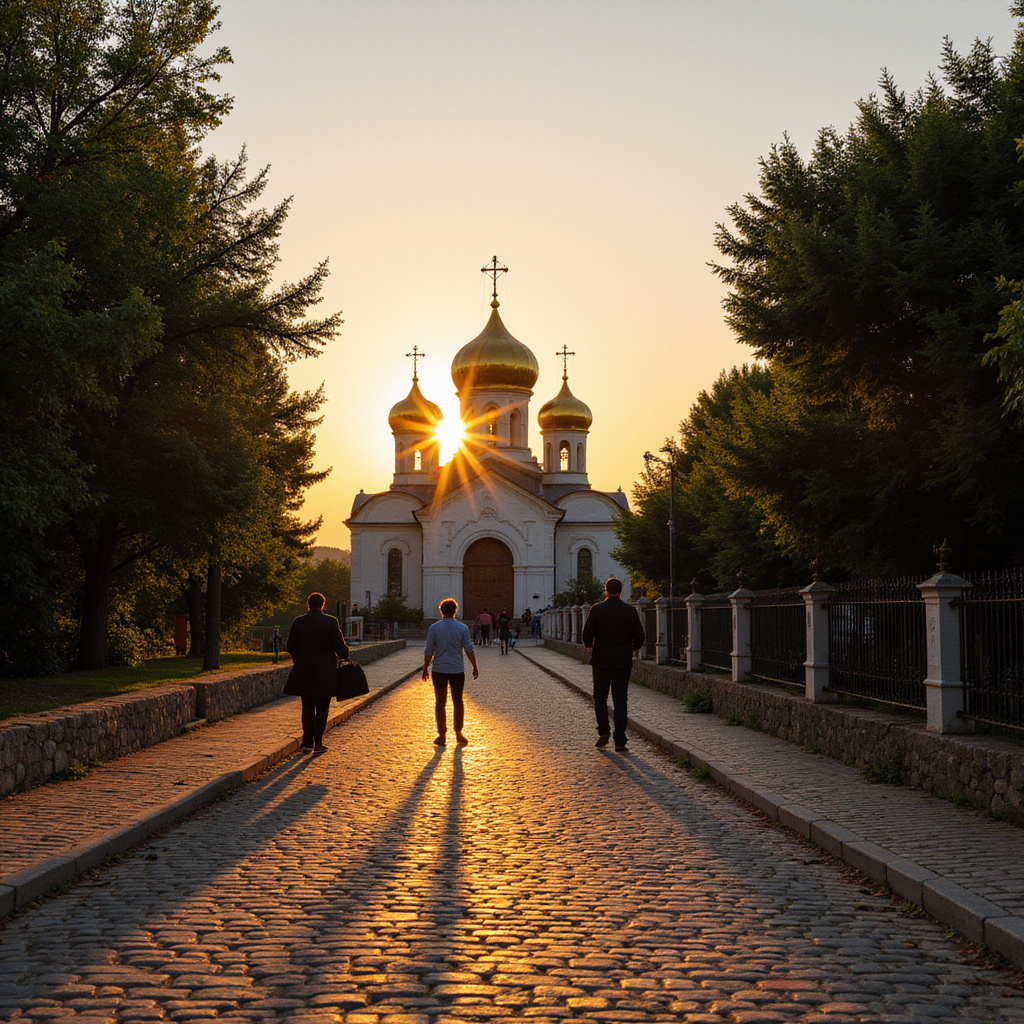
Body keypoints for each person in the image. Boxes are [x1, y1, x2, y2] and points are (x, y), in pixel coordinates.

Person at [581, 577, 645, 752]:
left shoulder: (597, 609)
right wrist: (633, 648)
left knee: (600, 697)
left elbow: (587, 635)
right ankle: (620, 740)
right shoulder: (630, 611)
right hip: (622, 661)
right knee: (620, 700)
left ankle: (603, 731)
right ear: (621, 591)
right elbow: (640, 636)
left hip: (601, 660)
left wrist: (589, 645)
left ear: (606, 590)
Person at [284, 592, 349, 753]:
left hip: (304, 669)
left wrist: (297, 658)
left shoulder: (299, 622)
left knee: (307, 706)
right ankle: (318, 742)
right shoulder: (331, 622)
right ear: (323, 605)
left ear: (308, 604)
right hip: (325, 671)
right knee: (322, 706)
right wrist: (345, 653)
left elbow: (290, 646)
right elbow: (340, 648)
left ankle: (307, 742)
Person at [422, 598, 479, 746]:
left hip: (439, 669)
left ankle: (442, 735)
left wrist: (425, 669)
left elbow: (429, 652)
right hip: (457, 669)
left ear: (441, 611)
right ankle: (459, 733)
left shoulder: (434, 628)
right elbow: (469, 649)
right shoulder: (462, 628)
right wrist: (474, 666)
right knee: (458, 701)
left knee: (440, 702)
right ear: (455, 611)